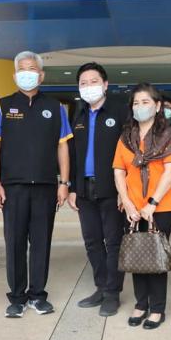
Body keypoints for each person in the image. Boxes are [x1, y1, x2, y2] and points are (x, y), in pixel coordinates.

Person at [0, 51, 73, 318]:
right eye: (23, 69)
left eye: (32, 69)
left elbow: (63, 147)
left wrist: (64, 183)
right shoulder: (1, 106)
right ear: (15, 75)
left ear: (41, 75)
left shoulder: (56, 108)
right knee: (14, 242)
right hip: (12, 187)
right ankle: (17, 297)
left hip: (46, 186)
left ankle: (37, 295)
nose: (28, 73)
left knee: (41, 242)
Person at [113, 83, 171, 329]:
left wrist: (152, 203)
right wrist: (127, 202)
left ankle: (157, 308)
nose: (140, 107)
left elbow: (170, 171)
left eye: (146, 102)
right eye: (136, 103)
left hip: (160, 207)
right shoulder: (126, 136)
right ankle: (141, 304)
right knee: (136, 255)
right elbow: (119, 171)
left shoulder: (168, 135)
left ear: (158, 106)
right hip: (131, 207)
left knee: (155, 257)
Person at [68, 62, 126, 317]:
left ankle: (112, 293)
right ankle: (101, 287)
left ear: (105, 84)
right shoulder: (79, 115)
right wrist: (72, 187)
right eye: (83, 83)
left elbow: (129, 151)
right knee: (92, 242)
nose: (88, 86)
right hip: (84, 189)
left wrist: (126, 191)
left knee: (113, 242)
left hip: (112, 188)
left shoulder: (120, 111)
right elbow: (72, 154)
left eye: (94, 81)